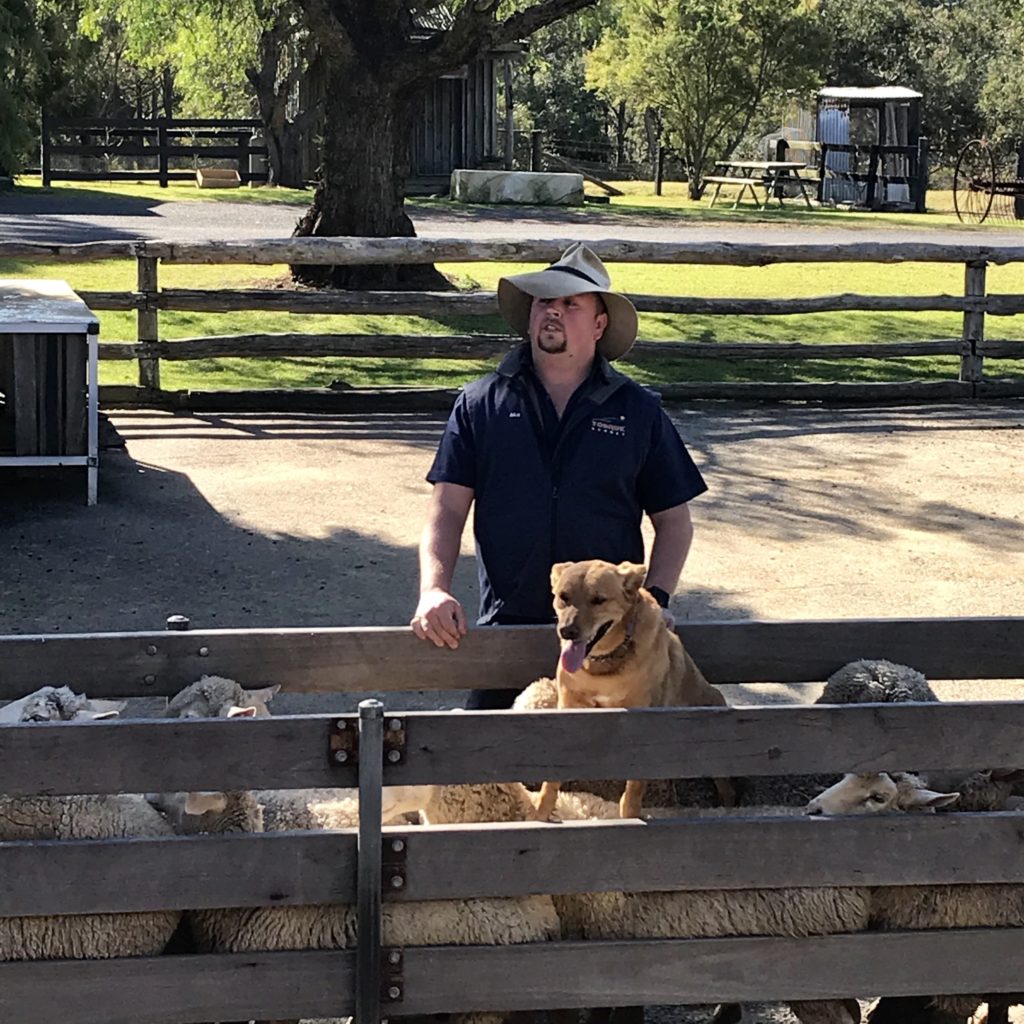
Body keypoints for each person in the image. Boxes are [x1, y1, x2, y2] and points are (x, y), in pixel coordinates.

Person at [410, 242, 708, 709]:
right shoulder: (480, 403)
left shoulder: (638, 411)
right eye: (545, 301)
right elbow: (446, 510)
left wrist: (658, 600)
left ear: (599, 324)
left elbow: (675, 521)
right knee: (486, 770)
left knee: (607, 776)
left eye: (571, 304)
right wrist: (433, 590)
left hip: (613, 645)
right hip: (507, 628)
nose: (554, 312)